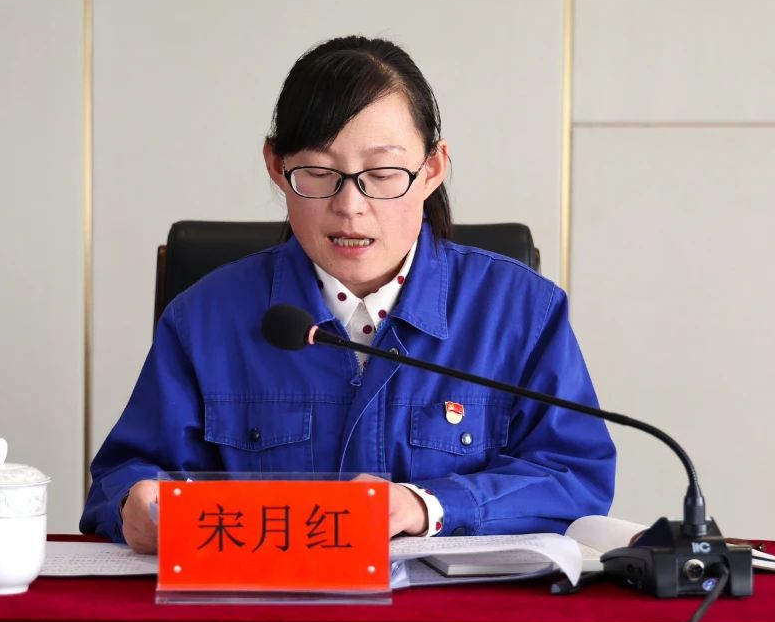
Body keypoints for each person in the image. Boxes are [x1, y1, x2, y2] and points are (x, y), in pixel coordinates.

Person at [81, 36, 615, 553]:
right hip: (261, 608)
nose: (350, 206)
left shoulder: (521, 312)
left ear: (432, 169)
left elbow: (573, 477)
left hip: (448, 610)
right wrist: (133, 502)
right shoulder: (204, 318)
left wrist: (426, 505)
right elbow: (124, 476)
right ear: (277, 167)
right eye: (318, 173)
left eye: (382, 173)